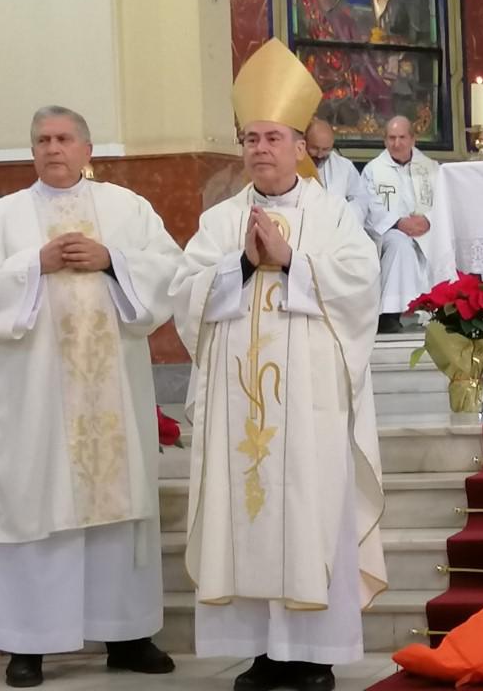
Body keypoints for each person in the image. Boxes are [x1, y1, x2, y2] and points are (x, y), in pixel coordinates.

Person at [170, 39, 385, 691]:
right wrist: (241, 260)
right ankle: (265, 654)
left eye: (272, 136)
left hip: (313, 409)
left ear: (299, 144)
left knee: (308, 515)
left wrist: (290, 260)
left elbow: (360, 288)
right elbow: (184, 295)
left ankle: (314, 657)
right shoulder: (218, 222)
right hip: (242, 410)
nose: (260, 148)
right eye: (250, 137)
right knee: (252, 519)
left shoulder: (334, 216)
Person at [0, 106, 180, 688]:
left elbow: (169, 271)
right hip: (36, 401)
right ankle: (26, 644)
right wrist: (36, 264)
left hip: (112, 394)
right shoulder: (2, 218)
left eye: (63, 139)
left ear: (86, 148)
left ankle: (128, 635)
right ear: (31, 151)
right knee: (33, 506)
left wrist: (114, 261)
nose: (52, 149)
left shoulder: (127, 209)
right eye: (41, 141)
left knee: (118, 508)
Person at [361, 115, 440, 333]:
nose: (397, 143)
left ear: (413, 139)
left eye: (402, 137)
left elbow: (444, 201)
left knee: (441, 248)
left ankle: (438, 311)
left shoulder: (431, 168)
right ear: (385, 140)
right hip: (391, 231)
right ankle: (390, 313)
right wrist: (398, 222)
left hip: (427, 230)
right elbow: (369, 205)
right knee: (400, 245)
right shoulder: (373, 170)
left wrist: (428, 220)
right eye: (391, 138)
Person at [305, 117, 371, 227]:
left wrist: (343, 216)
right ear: (304, 142)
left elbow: (361, 199)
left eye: (326, 149)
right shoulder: (292, 166)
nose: (320, 155)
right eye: (315, 148)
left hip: (339, 228)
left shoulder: (344, 166)